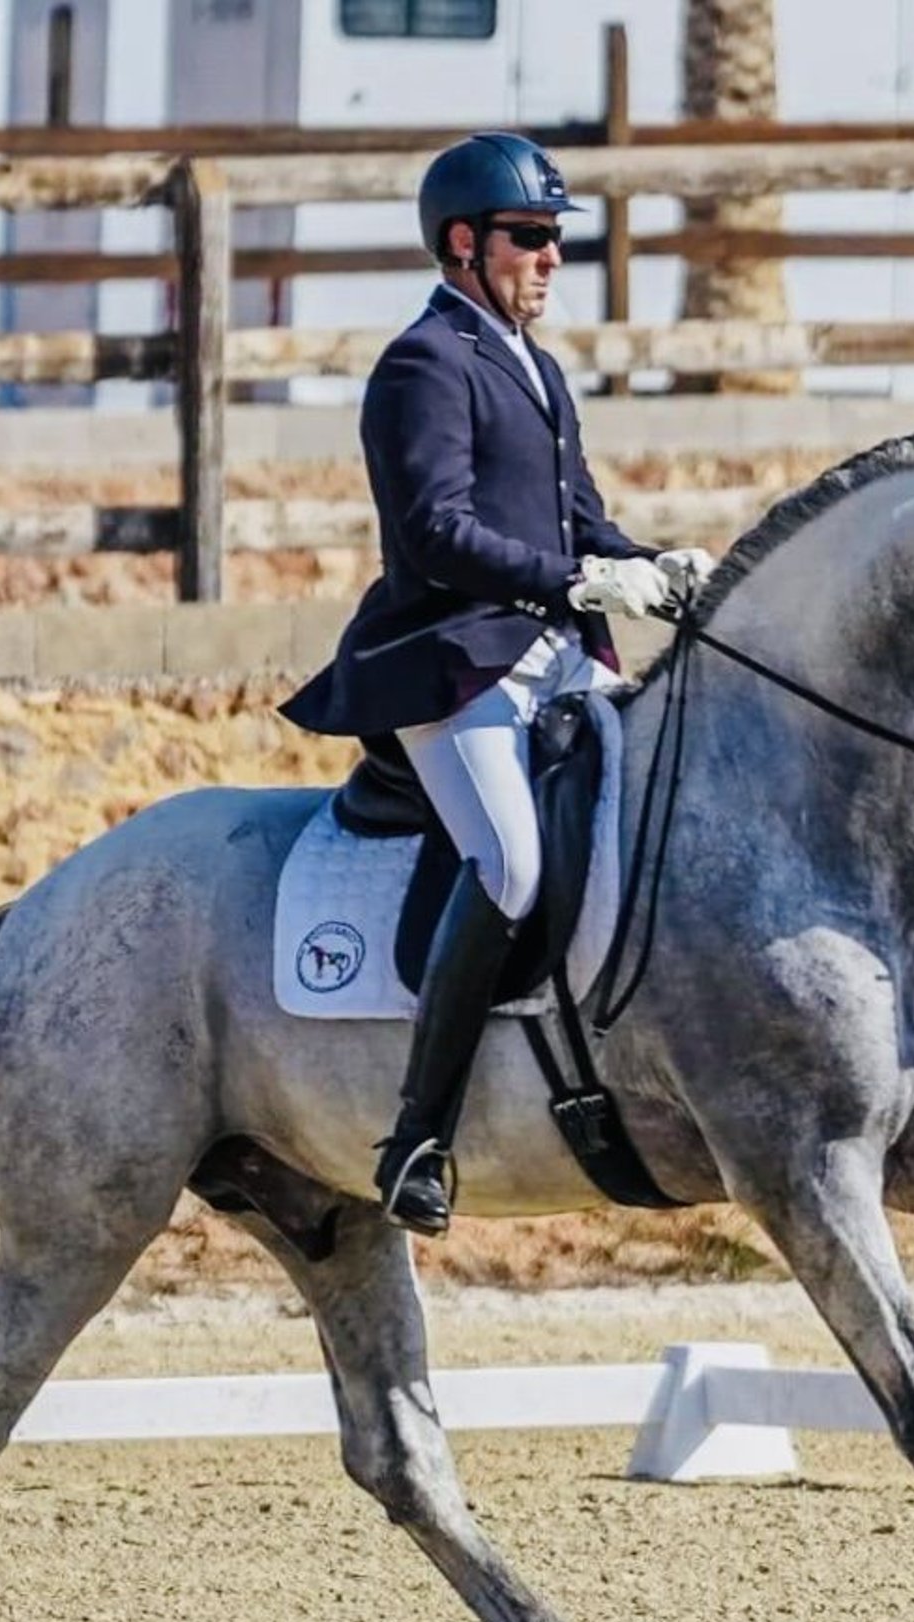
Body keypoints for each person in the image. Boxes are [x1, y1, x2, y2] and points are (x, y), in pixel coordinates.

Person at [280, 131, 715, 1237]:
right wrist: (581, 580)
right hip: (456, 663)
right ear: (463, 244)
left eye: (555, 239)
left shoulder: (535, 365)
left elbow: (576, 516)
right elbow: (435, 533)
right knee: (511, 861)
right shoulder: (422, 364)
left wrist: (656, 566)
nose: (550, 258)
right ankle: (416, 1137)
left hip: (559, 659)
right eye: (529, 237)